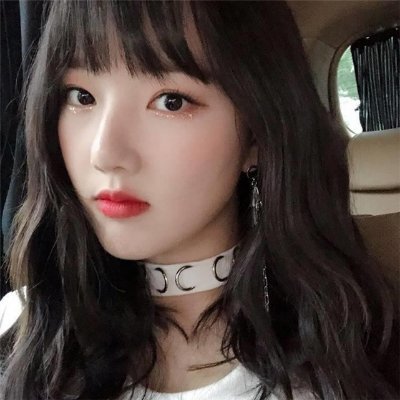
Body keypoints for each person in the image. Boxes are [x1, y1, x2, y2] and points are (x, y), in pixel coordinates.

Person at [0, 1, 397, 399]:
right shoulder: (21, 329)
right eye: (81, 96)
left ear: (258, 134)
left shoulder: (342, 363)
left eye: (171, 101)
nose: (104, 153)